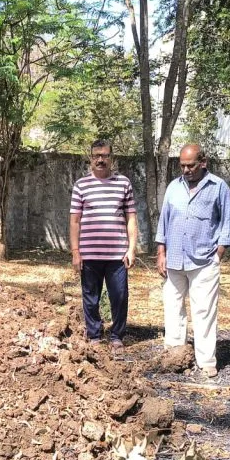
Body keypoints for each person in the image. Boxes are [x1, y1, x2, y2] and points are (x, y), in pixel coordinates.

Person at [156, 145, 230, 378]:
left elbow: (228, 223)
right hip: (173, 260)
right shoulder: (174, 186)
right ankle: (174, 353)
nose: (186, 169)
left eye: (191, 165)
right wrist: (160, 253)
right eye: (182, 165)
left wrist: (218, 254)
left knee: (203, 312)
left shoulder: (218, 187)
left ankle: (206, 361)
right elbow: (164, 221)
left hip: (204, 261)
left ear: (203, 162)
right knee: (172, 308)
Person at [69, 139, 138, 349]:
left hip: (117, 255)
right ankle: (95, 335)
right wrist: (75, 252)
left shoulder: (123, 183)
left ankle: (117, 335)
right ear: (90, 158)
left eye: (105, 156)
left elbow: (132, 218)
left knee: (119, 296)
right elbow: (74, 221)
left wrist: (132, 248)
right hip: (89, 254)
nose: (101, 160)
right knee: (90, 298)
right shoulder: (81, 185)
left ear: (112, 158)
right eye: (96, 156)